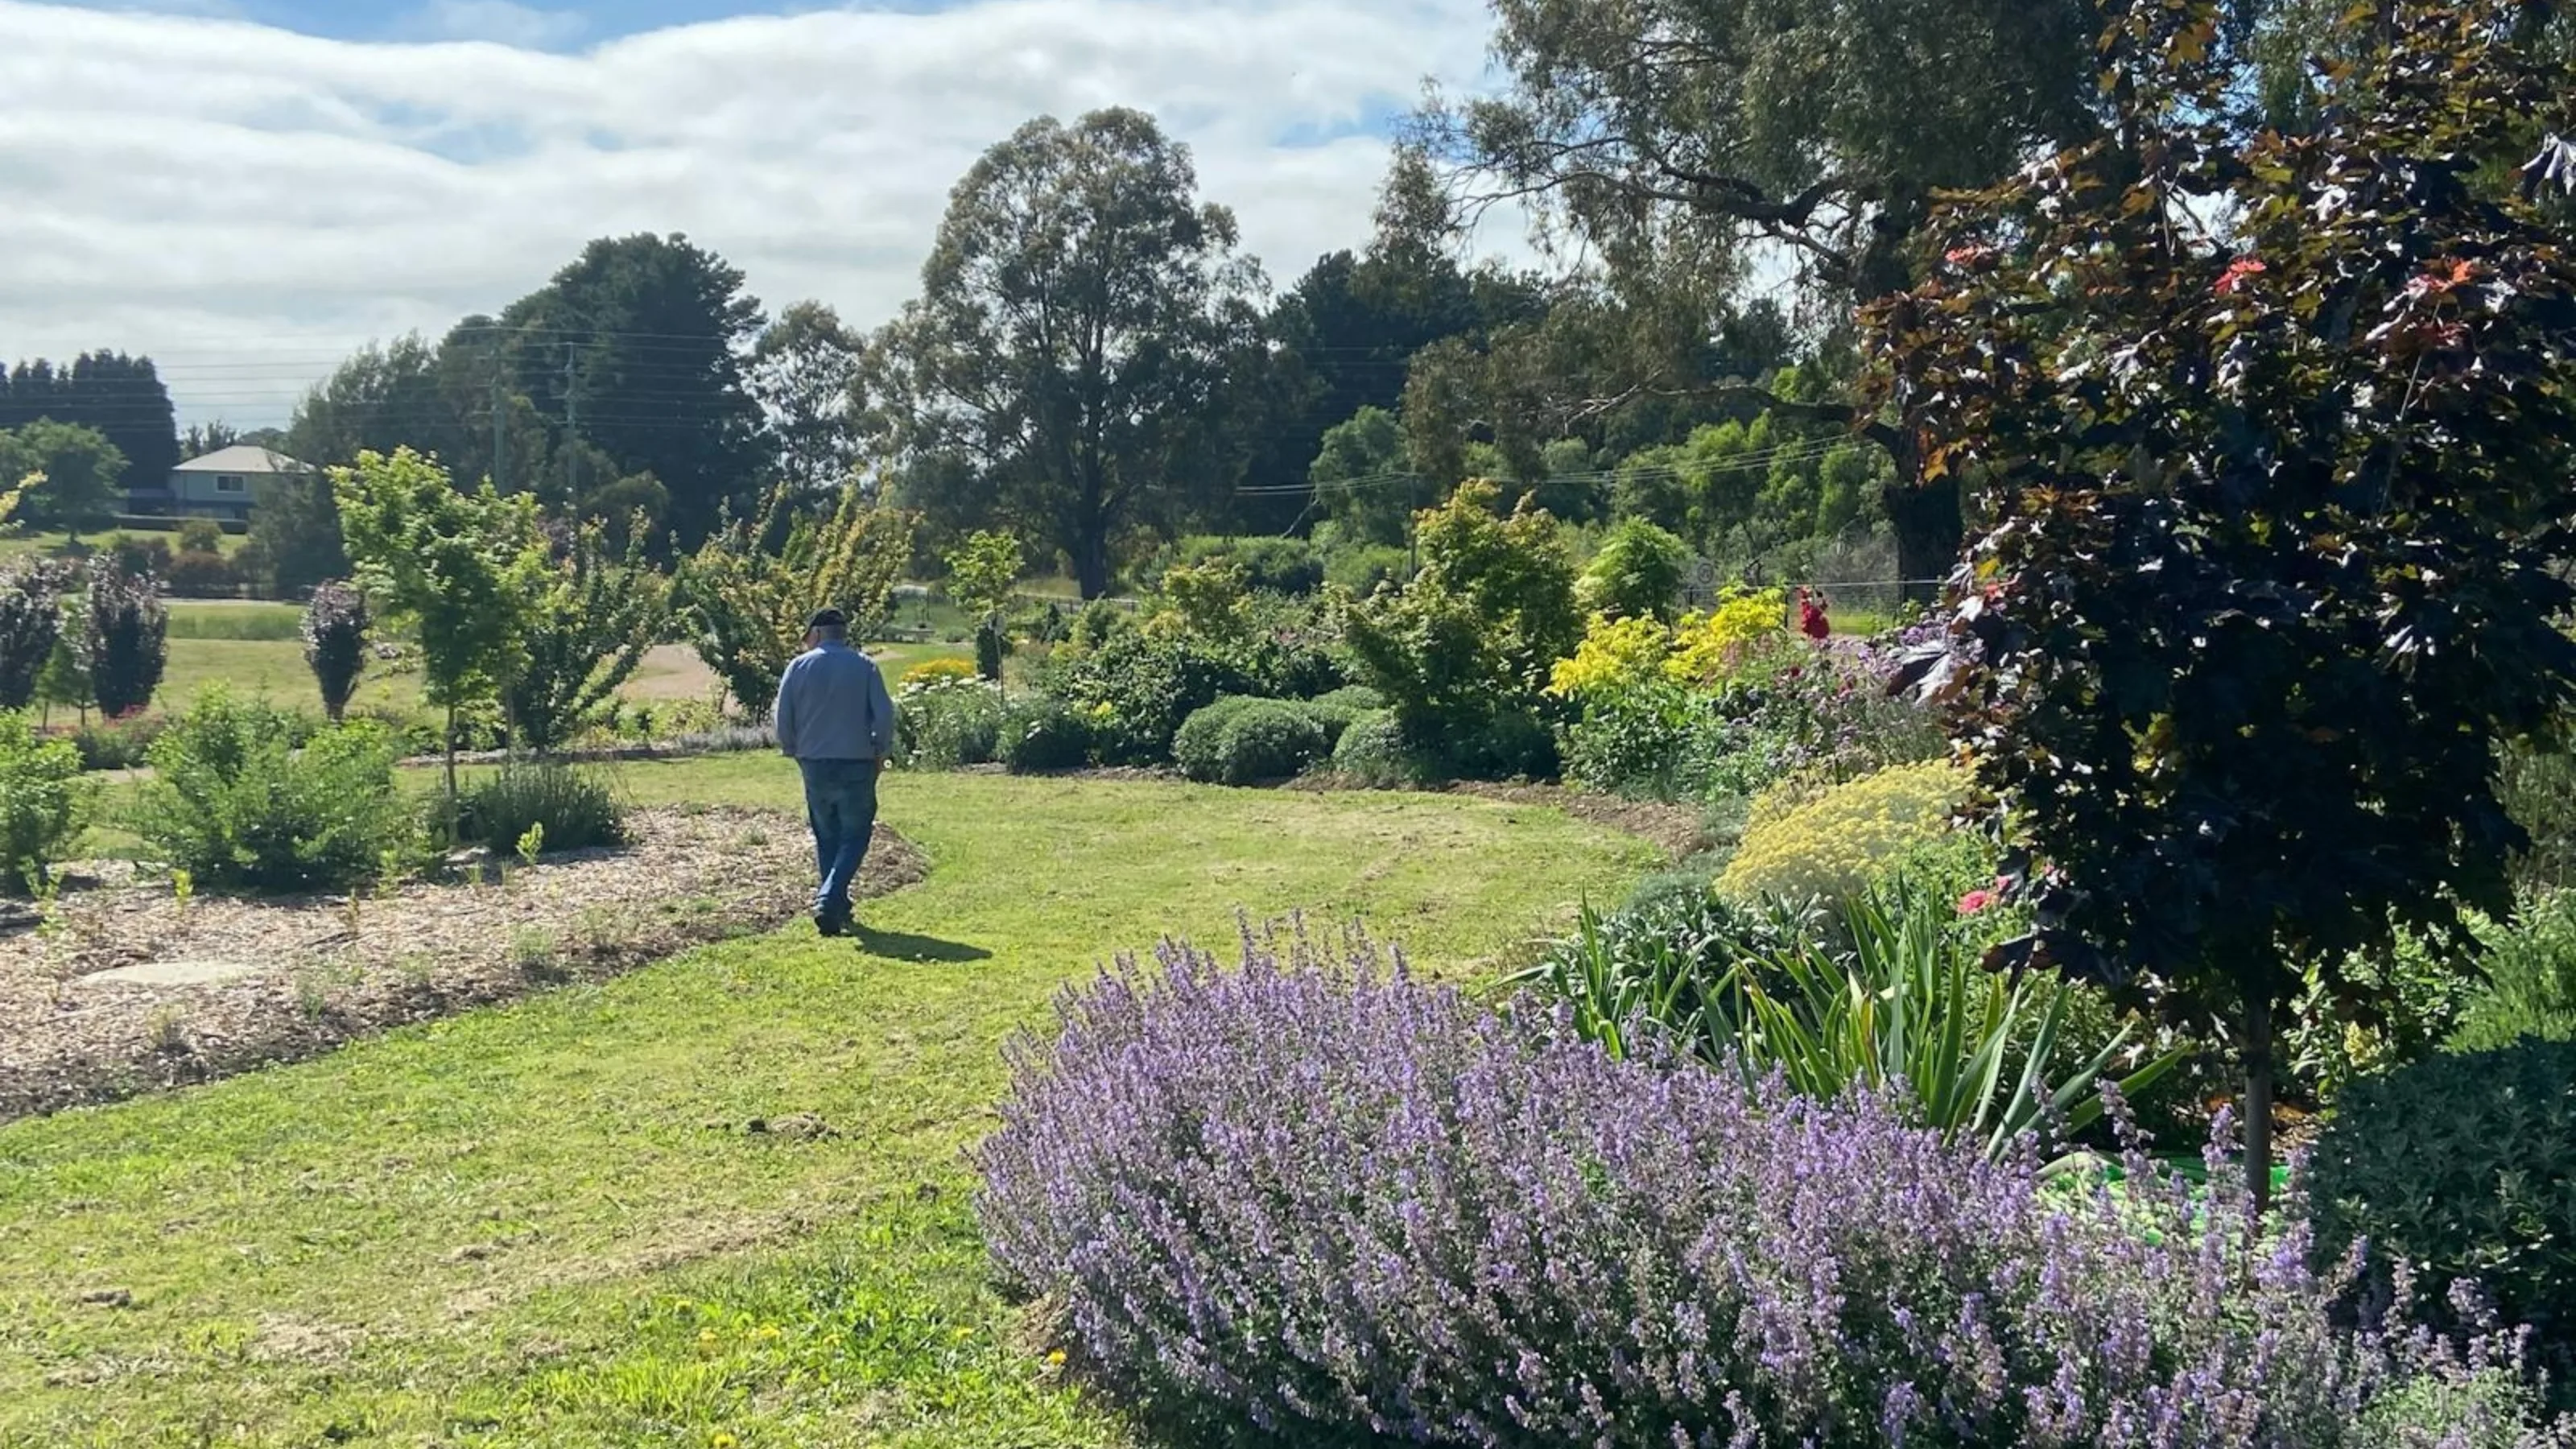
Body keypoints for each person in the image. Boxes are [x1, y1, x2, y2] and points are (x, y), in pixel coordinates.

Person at [772, 607, 896, 937]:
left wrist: (792, 749)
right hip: (856, 760)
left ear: (815, 634)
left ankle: (836, 903)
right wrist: (880, 750)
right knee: (855, 835)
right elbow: (884, 715)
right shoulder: (864, 666)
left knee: (826, 835)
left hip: (814, 761)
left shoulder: (798, 667)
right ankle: (829, 898)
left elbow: (783, 715)